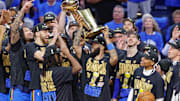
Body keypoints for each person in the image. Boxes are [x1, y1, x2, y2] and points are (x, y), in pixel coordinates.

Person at [73, 26, 118, 101]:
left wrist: (106, 38)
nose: (92, 46)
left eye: (95, 44)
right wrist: (80, 28)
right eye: (92, 44)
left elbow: (115, 57)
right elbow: (75, 46)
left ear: (102, 47)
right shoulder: (87, 59)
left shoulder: (106, 61)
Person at [40, 36, 82, 101]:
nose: (61, 57)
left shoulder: (43, 72)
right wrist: (67, 53)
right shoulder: (59, 71)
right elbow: (78, 67)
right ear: (53, 57)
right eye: (58, 55)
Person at [9, 1, 34, 101]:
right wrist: (23, 9)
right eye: (26, 30)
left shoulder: (35, 46)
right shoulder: (17, 45)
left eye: (31, 30)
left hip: (33, 89)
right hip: (19, 89)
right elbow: (14, 29)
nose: (30, 32)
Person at [23, 23, 53, 101]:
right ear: (37, 33)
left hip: (50, 88)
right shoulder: (30, 46)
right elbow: (41, 57)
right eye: (45, 32)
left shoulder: (49, 47)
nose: (48, 34)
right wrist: (52, 41)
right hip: (37, 87)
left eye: (48, 32)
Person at [112, 31, 144, 101]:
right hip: (122, 95)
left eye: (133, 37)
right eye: (129, 36)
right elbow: (117, 77)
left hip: (136, 95)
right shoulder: (120, 57)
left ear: (138, 42)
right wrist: (114, 97)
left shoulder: (142, 58)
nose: (130, 38)